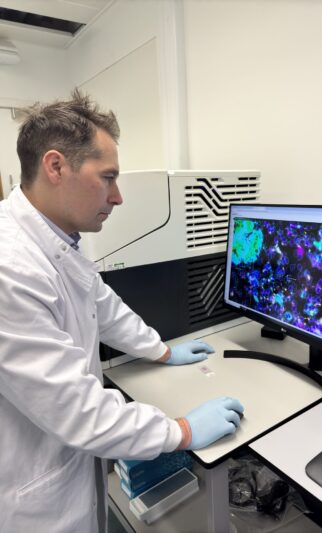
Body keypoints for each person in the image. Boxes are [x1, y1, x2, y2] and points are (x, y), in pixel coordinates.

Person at [0, 89, 244, 533]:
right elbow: (77, 411)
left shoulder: (56, 240)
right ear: (55, 166)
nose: (118, 197)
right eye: (108, 177)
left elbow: (102, 305)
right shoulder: (10, 268)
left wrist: (162, 351)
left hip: (69, 462)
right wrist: (183, 431)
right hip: (32, 498)